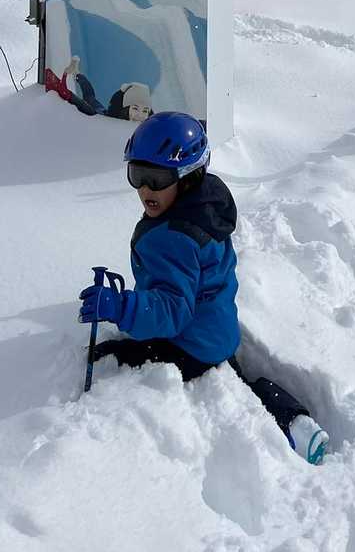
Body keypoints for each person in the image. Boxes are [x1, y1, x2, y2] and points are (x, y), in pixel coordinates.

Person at [79, 111, 329, 464]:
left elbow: (172, 311)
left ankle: (279, 432)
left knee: (118, 357)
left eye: (157, 178)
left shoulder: (171, 237)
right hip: (219, 330)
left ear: (187, 176)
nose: (146, 189)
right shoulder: (207, 208)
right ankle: (294, 421)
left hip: (190, 344)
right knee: (242, 385)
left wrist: (121, 307)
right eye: (137, 175)